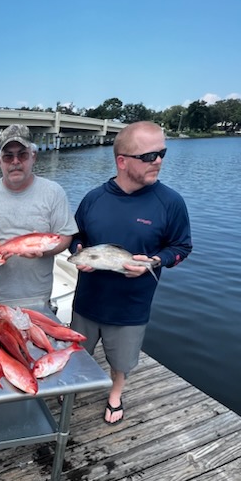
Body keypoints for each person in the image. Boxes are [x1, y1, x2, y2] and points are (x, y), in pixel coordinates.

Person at [71, 120, 192, 424]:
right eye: (150, 156)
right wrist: (77, 252)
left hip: (131, 308)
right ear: (122, 162)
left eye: (162, 153)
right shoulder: (93, 199)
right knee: (76, 351)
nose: (159, 161)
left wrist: (155, 261)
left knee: (121, 361)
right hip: (86, 303)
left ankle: (115, 393)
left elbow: (181, 247)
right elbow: (76, 237)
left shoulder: (171, 203)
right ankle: (73, 386)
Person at [0, 124, 77, 305]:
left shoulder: (54, 192)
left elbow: (65, 235)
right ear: (0, 161)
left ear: (33, 156)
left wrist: (44, 251)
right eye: (8, 156)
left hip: (38, 300)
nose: (15, 161)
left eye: (22, 154)